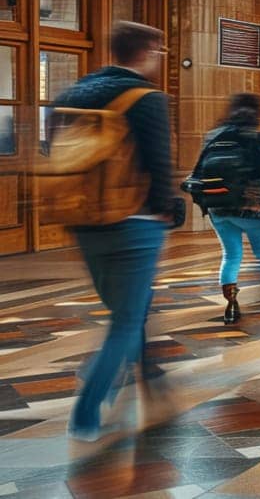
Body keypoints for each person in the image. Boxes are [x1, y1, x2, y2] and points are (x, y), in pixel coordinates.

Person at [53, 22, 184, 442]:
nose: (160, 58)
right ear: (147, 50)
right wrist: (168, 208)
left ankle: (115, 371)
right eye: (160, 51)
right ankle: (87, 409)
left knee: (128, 309)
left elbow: (52, 152)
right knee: (127, 320)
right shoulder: (147, 99)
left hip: (83, 218)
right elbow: (159, 163)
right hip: (135, 221)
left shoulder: (71, 94)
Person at [188, 93, 260, 325]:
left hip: (218, 207)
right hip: (250, 208)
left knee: (231, 254)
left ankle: (231, 304)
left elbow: (199, 172)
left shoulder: (212, 137)